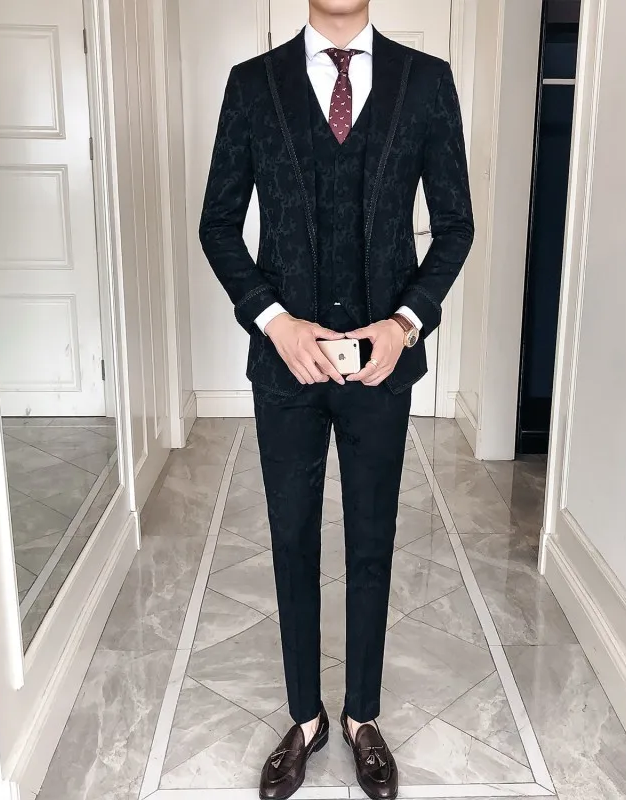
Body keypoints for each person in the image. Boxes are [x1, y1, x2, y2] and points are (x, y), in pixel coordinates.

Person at [200, 1, 472, 797]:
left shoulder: (427, 82)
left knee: (371, 542)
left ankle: (361, 716)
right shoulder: (252, 85)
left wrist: (406, 322)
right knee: (291, 541)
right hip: (285, 368)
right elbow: (219, 224)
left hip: (381, 366)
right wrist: (273, 321)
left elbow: (455, 224)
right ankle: (305, 717)